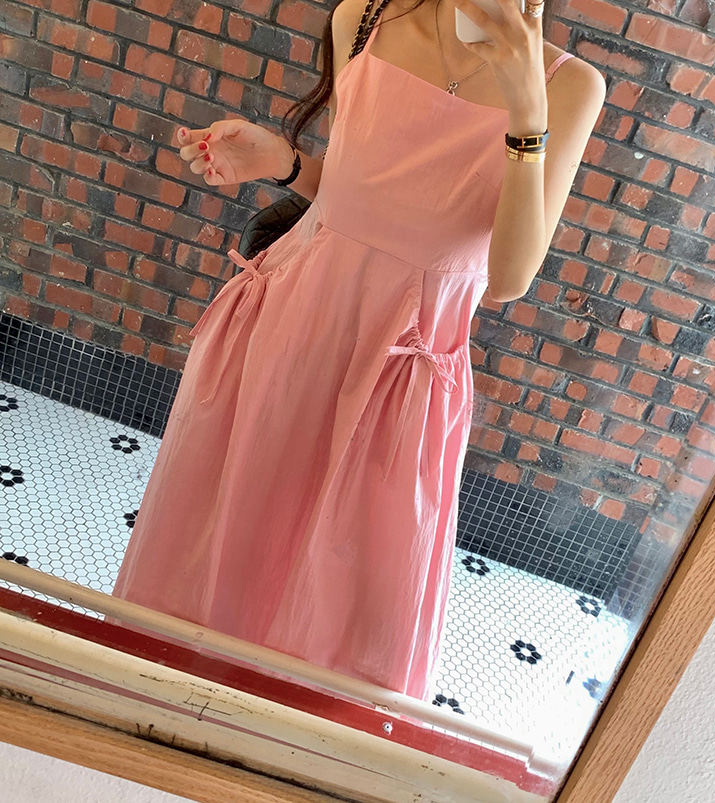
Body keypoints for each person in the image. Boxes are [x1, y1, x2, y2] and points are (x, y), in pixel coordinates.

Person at [110, 0, 606, 701]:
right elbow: (355, 198)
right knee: (219, 553)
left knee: (350, 623)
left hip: (399, 378)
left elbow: (508, 277)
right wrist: (284, 164)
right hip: (285, 331)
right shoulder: (366, 18)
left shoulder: (568, 86)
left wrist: (527, 107)